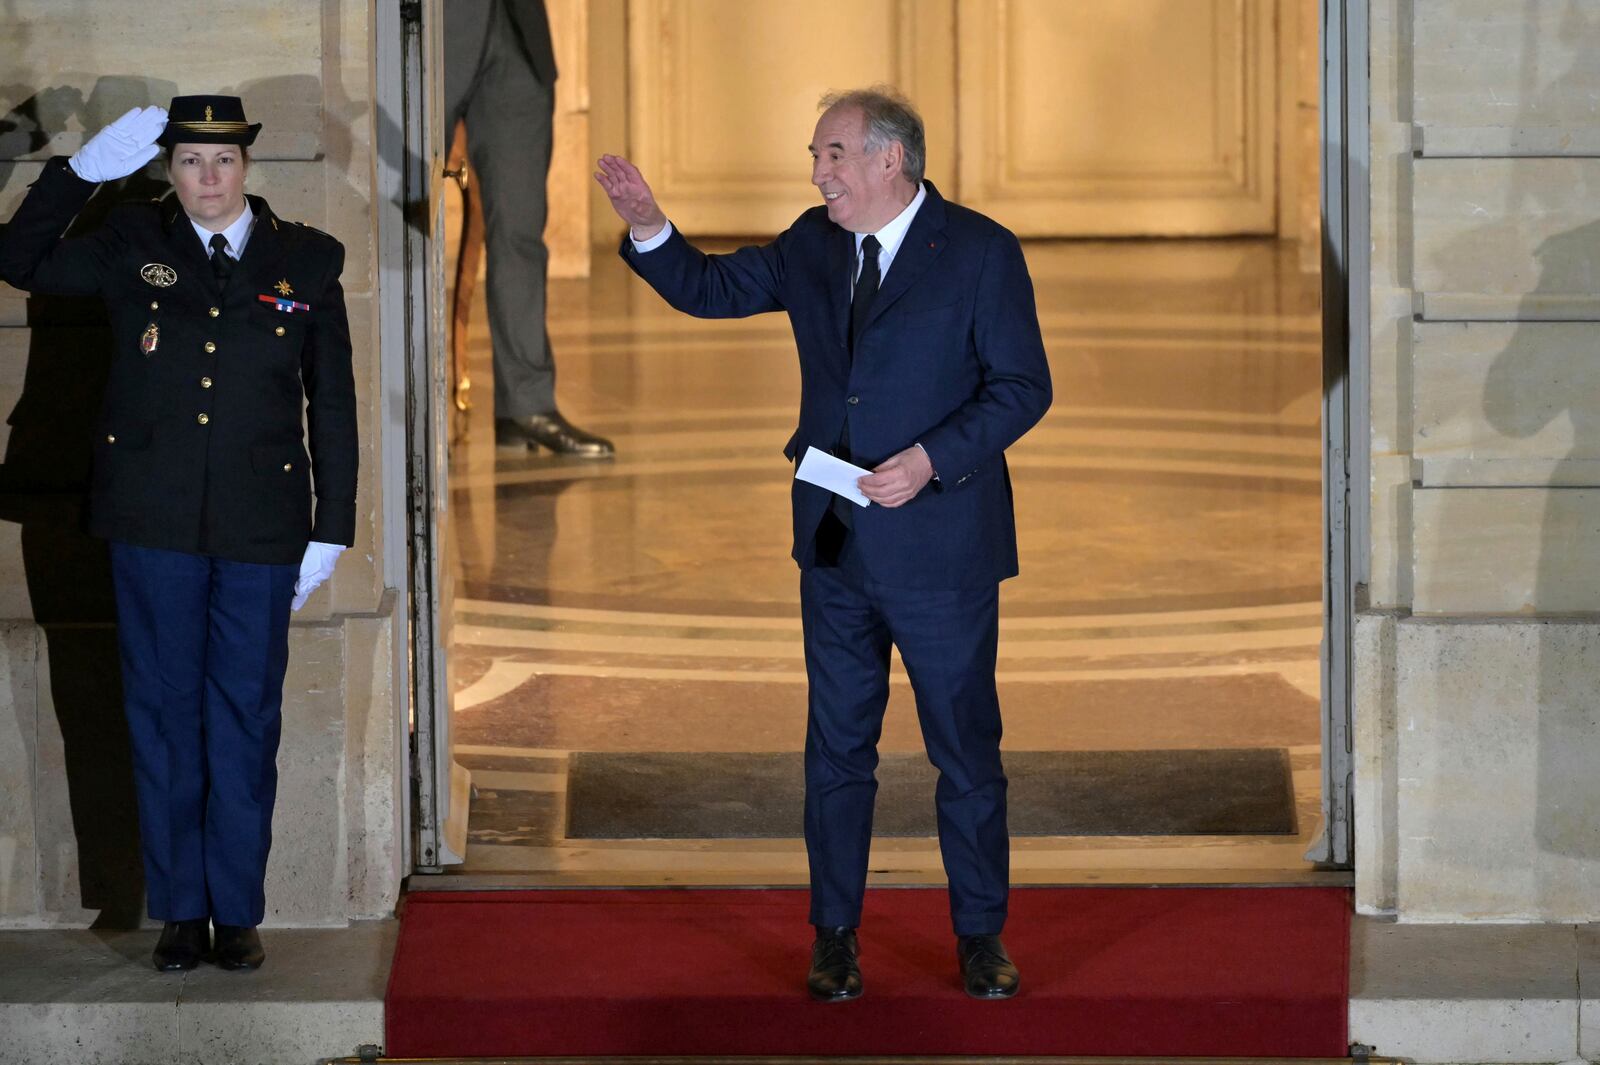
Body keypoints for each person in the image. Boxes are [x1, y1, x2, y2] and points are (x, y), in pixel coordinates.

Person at [595, 87, 1051, 1000]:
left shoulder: (979, 252)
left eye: (833, 155)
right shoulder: (812, 241)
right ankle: (835, 934)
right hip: (837, 548)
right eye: (816, 156)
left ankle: (979, 934)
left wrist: (930, 460)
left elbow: (1021, 386)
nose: (818, 173)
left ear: (892, 160)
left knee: (963, 749)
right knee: (837, 749)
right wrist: (650, 227)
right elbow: (716, 288)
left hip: (942, 553)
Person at [0, 97, 357, 972]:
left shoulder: (305, 259)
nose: (207, 177)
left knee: (245, 716)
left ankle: (236, 909)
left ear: (246, 167)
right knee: (161, 717)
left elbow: (334, 403)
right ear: (167, 167)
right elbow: (17, 261)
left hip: (260, 525)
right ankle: (180, 911)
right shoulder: (132, 244)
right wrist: (78, 173)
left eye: (222, 161)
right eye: (190, 160)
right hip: (150, 519)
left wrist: (332, 527)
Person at [445, 0, 614, 457]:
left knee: (520, 234)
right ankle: (398, 407)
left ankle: (526, 406)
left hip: (517, 31)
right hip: (424, 27)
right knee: (400, 224)